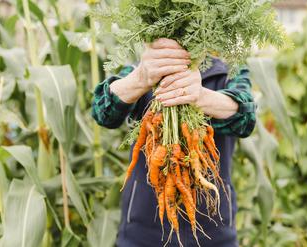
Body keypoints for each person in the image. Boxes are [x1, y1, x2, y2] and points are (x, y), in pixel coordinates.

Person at [92, 38, 256, 247]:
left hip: (213, 235)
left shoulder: (229, 70)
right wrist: (141, 78)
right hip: (142, 235)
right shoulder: (146, 66)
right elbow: (102, 112)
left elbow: (246, 118)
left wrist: (200, 97)